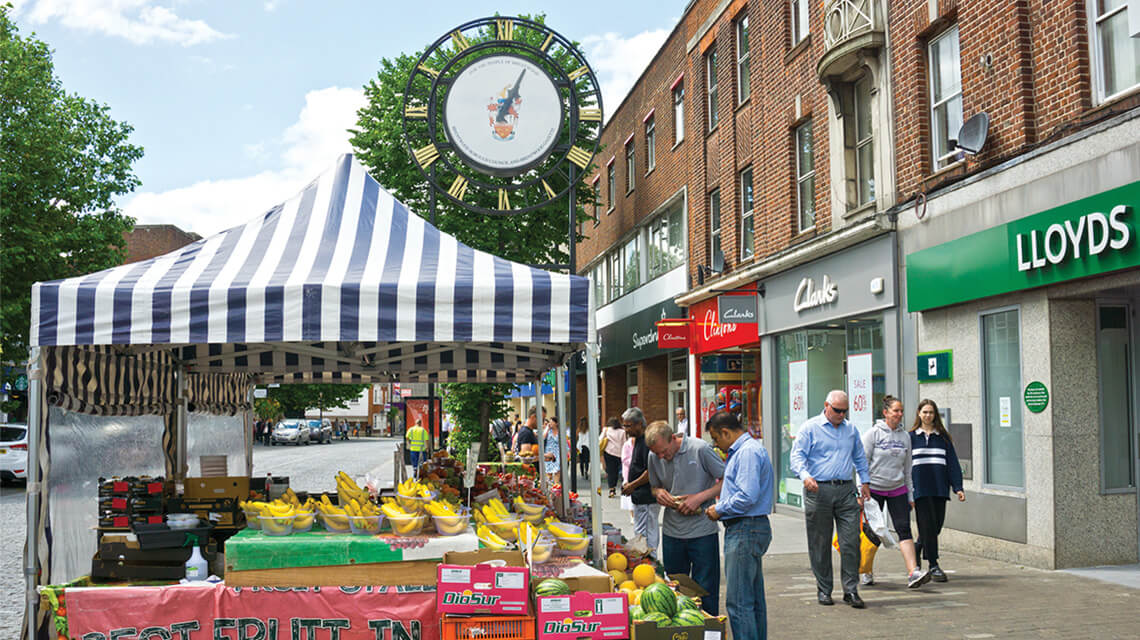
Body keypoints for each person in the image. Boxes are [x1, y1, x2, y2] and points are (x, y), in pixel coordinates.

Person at [790, 389, 871, 609]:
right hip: (819, 490)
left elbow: (859, 457)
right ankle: (824, 589)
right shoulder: (810, 428)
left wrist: (865, 482)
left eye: (845, 411)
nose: (841, 415)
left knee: (851, 542)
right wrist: (805, 476)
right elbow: (797, 457)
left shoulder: (851, 429)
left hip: (845, 490)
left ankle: (851, 590)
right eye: (837, 410)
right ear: (827, 405)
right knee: (820, 542)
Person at [705, 410, 774, 640]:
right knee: (752, 598)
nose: (717, 445)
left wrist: (720, 509)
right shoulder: (746, 450)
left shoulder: (747, 452)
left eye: (716, 438)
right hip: (748, 528)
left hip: (746, 528)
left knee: (739, 600)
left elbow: (747, 496)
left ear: (726, 432)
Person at [646, 419, 724, 615]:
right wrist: (659, 493)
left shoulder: (700, 449)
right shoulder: (653, 456)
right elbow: (654, 486)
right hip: (672, 532)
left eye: (664, 451)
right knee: (676, 589)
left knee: (705, 589)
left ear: (673, 438)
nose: (662, 457)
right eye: (657, 454)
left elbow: (727, 480)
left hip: (702, 531)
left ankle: (709, 630)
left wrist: (699, 498)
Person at [861, 395, 929, 588]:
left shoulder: (905, 436)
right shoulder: (872, 434)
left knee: (904, 529)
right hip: (873, 489)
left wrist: (910, 494)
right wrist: (861, 490)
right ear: (885, 413)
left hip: (897, 488)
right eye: (895, 411)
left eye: (901, 411)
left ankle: (913, 572)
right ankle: (866, 571)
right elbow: (861, 464)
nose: (899, 414)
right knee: (872, 532)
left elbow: (908, 469)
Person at [910, 398, 965, 582]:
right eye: (924, 412)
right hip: (920, 489)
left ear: (935, 415)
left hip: (940, 488)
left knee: (936, 526)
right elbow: (903, 465)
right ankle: (933, 565)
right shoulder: (910, 437)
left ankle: (918, 546)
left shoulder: (943, 438)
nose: (928, 415)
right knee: (927, 525)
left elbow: (953, 465)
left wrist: (958, 487)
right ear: (919, 413)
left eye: (931, 412)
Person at [621, 407, 660, 555]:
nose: (626, 429)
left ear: (639, 424)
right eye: (624, 425)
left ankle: (651, 564)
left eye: (628, 426)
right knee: (640, 534)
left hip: (647, 498)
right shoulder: (637, 440)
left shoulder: (646, 441)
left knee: (647, 536)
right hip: (640, 497)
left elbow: (651, 471)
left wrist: (632, 485)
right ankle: (645, 561)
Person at [602, 417, 627, 498]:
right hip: (619, 453)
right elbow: (624, 443)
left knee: (611, 471)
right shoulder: (622, 431)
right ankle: (624, 487)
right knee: (620, 471)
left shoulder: (606, 430)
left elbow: (600, 439)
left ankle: (612, 489)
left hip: (609, 452)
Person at [543, 416, 562, 484]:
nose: (550, 423)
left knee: (557, 471)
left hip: (557, 453)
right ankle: (547, 490)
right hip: (548, 453)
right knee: (548, 472)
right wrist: (547, 428)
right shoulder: (548, 431)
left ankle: (556, 488)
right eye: (550, 421)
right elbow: (543, 437)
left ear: (556, 423)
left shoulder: (560, 431)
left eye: (552, 422)